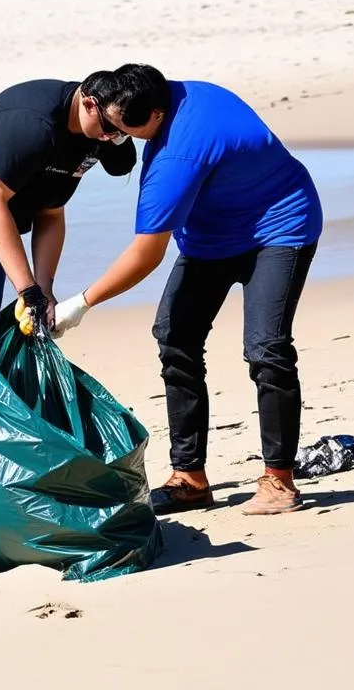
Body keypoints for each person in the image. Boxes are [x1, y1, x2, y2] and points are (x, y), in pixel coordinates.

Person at [52, 72, 323, 516]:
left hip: (281, 227)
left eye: (125, 129)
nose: (117, 136)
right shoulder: (171, 89)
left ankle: (279, 480)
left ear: (155, 115)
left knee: (266, 348)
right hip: (213, 238)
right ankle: (189, 479)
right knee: (175, 335)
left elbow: (145, 254)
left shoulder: (174, 158)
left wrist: (80, 304)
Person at [0, 65, 171, 427]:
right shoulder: (32, 125)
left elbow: (51, 214)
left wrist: (45, 289)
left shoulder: (96, 135)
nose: (111, 138)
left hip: (7, 215)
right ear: (89, 104)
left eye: (122, 135)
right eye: (109, 129)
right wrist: (27, 289)